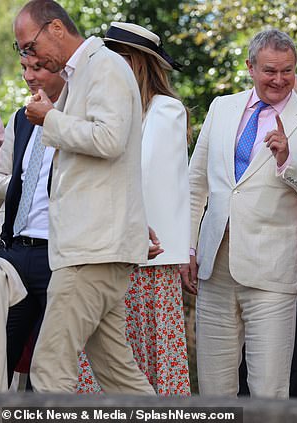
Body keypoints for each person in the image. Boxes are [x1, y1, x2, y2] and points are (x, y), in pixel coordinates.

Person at [184, 29, 297, 399]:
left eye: (288, 71)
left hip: (274, 274)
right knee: (215, 390)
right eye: (270, 70)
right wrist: (185, 248)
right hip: (214, 265)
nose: (280, 80)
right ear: (250, 67)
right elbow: (195, 185)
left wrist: (288, 160)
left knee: (269, 391)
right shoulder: (222, 107)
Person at [14, 0, 154, 394]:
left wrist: (50, 120)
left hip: (92, 250)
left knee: (49, 367)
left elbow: (109, 140)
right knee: (119, 376)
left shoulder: (105, 66)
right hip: (94, 248)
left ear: (56, 28)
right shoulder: (84, 73)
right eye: (22, 52)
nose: (29, 57)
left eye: (29, 46)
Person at [76, 22, 191, 396]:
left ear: (138, 62)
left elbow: (153, 181)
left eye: (119, 58)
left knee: (148, 363)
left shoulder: (166, 111)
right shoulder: (98, 107)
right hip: (102, 252)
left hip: (147, 259)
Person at [0, 55, 65, 389]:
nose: (27, 76)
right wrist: (23, 184)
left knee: (46, 366)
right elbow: (3, 176)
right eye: (24, 68)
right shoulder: (19, 120)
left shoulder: (77, 120)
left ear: (62, 69)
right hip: (13, 253)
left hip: (58, 257)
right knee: (2, 358)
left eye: (36, 68)